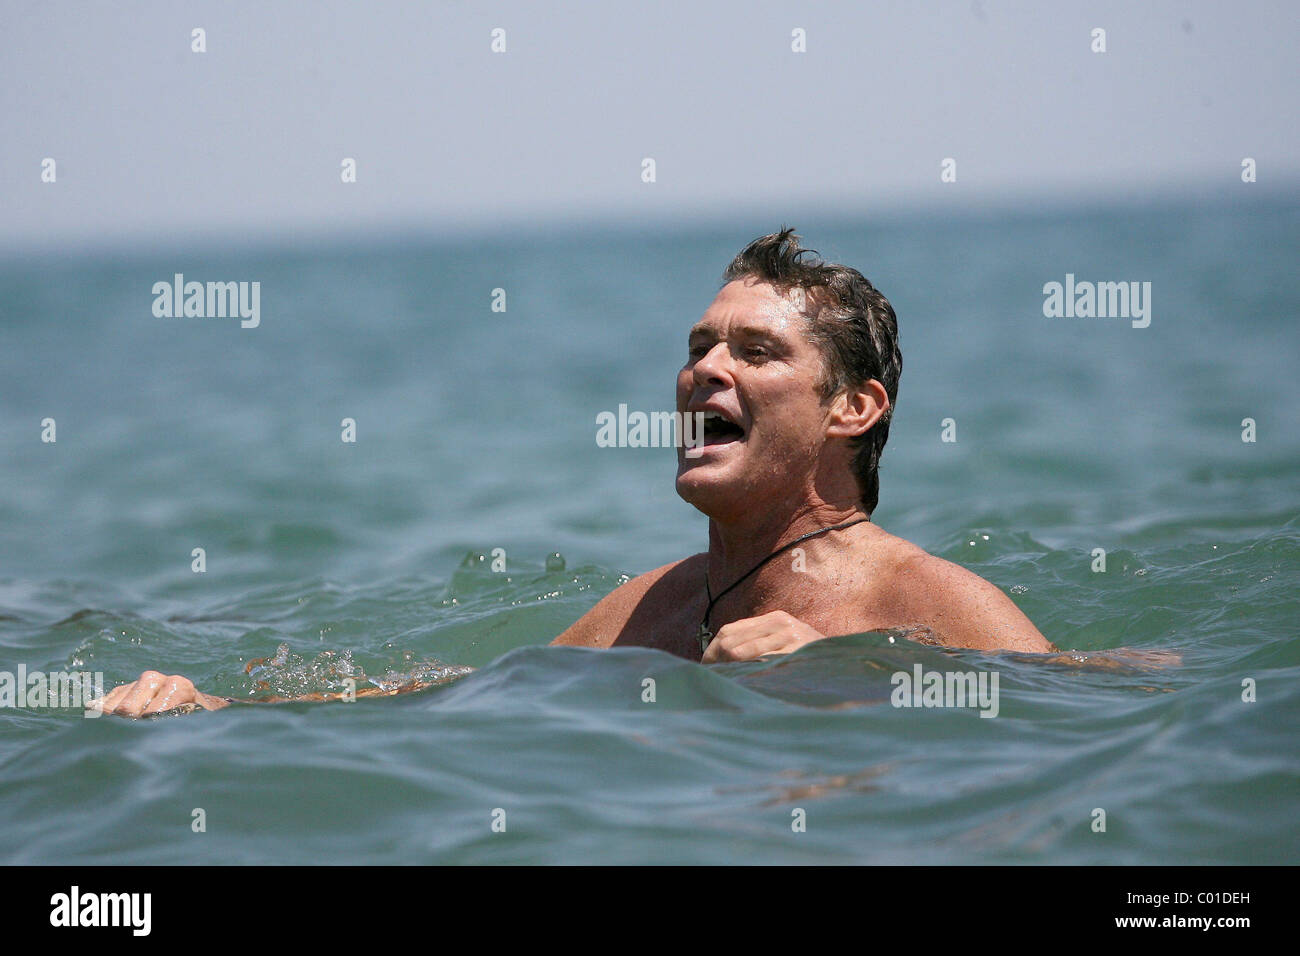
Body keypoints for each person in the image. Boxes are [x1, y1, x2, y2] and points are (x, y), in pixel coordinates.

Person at [96, 227, 1055, 718]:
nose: (706, 370)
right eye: (698, 347)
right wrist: (217, 710)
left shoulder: (923, 598)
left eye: (756, 352)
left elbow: (1111, 701)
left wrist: (851, 678)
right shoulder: (655, 610)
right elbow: (467, 701)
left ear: (856, 408)